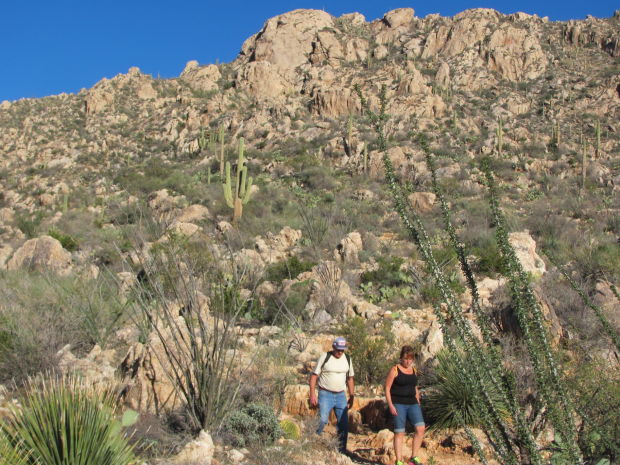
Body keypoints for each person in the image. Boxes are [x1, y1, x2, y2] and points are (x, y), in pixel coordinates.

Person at [309, 336, 355, 453]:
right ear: (333, 347)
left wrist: (352, 395)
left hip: (341, 395)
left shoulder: (347, 359)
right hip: (325, 393)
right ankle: (311, 440)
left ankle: (341, 451)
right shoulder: (325, 357)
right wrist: (312, 394)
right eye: (338, 349)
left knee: (343, 424)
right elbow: (314, 376)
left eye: (342, 350)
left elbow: (350, 378)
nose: (340, 352)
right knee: (323, 420)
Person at [385, 345, 426, 465]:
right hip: (398, 403)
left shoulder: (413, 370)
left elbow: (414, 386)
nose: (408, 361)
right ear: (401, 358)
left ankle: (414, 457)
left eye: (410, 359)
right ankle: (399, 460)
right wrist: (391, 405)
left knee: (420, 428)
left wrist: (417, 400)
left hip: (412, 403)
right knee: (399, 432)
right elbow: (387, 388)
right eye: (405, 359)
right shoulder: (395, 370)